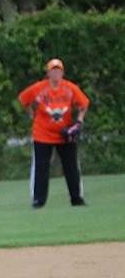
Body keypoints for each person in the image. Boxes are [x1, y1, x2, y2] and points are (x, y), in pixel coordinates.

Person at [18, 58, 89, 209]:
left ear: (62, 72)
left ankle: (76, 198)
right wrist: (32, 115)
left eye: (59, 70)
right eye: (53, 70)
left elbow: (84, 103)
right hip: (42, 134)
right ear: (48, 73)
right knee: (41, 168)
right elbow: (24, 99)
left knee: (71, 167)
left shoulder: (70, 88)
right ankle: (39, 200)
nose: (56, 73)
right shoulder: (39, 88)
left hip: (65, 134)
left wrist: (79, 122)